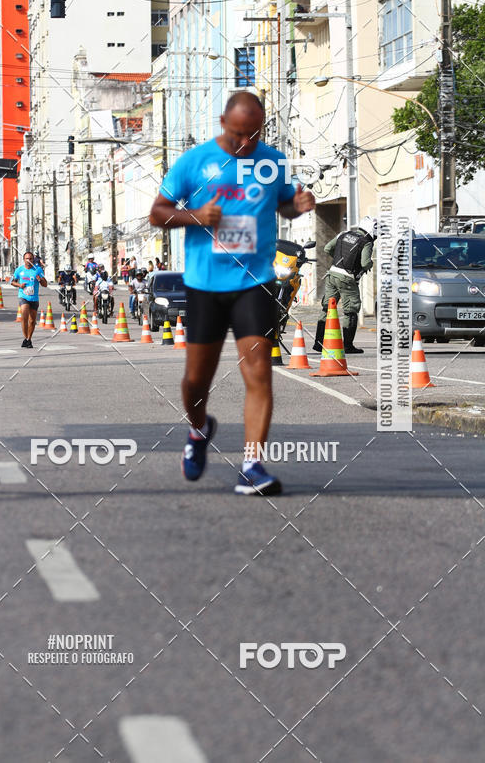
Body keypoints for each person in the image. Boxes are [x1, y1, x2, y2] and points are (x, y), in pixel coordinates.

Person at [149, 90, 315, 496]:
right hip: (205, 284)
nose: (245, 144)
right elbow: (157, 212)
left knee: (259, 372)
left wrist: (299, 203)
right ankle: (199, 428)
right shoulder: (194, 162)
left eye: (253, 135)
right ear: (223, 123)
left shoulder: (273, 162)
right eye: (238, 134)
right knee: (195, 380)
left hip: (254, 281)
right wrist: (194, 216)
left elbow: (285, 206)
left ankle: (253, 465)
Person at [313, 215, 378, 355]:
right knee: (351, 310)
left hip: (332, 274)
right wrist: (371, 264)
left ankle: (319, 343)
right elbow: (365, 263)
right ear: (371, 230)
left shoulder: (344, 234)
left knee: (327, 307)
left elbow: (327, 248)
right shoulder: (366, 242)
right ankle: (348, 345)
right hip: (347, 278)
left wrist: (339, 261)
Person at [11, 251, 47, 348]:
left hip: (34, 298)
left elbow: (45, 284)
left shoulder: (38, 269)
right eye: (27, 259)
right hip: (23, 296)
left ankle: (28, 339)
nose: (29, 260)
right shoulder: (19, 270)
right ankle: (25, 337)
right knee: (24, 315)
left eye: (31, 259)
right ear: (24, 260)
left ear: (33, 260)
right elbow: (12, 282)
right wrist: (19, 285)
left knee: (32, 321)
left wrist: (40, 280)